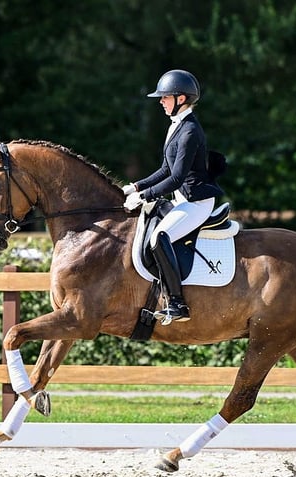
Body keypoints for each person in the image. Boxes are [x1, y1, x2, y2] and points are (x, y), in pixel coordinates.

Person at [123, 69, 224, 324]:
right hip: (182, 200)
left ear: (181, 98)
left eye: (164, 97)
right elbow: (166, 170)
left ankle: (178, 304)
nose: (160, 101)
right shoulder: (176, 126)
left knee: (159, 238)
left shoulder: (190, 130)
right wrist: (135, 187)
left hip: (195, 203)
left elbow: (177, 178)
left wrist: (145, 196)